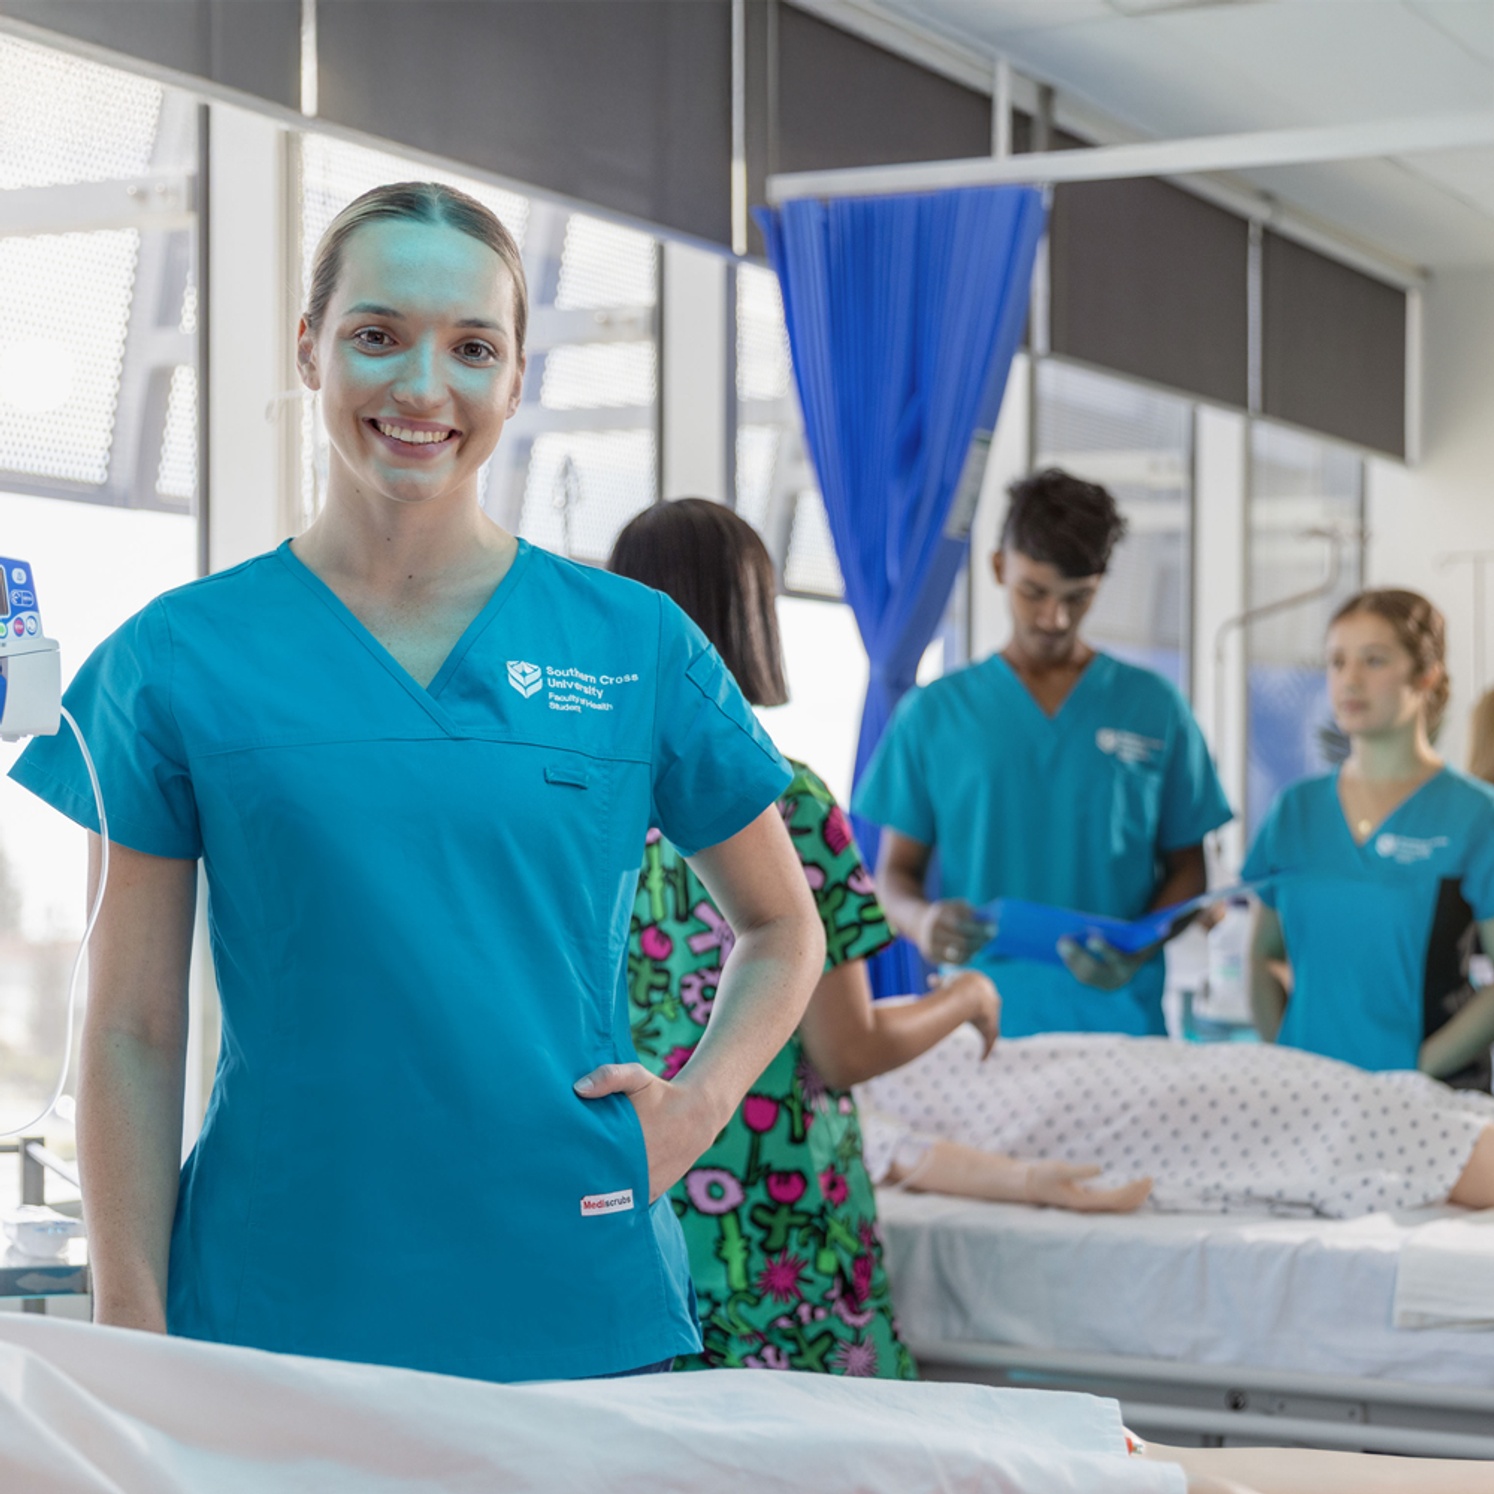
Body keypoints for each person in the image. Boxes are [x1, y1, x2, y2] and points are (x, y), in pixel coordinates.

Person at [8, 184, 827, 1384]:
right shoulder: (178, 659)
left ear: (515, 375)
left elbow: (782, 927)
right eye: (378, 335)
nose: (423, 391)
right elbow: (132, 1024)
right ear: (311, 346)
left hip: (573, 1290)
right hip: (277, 1300)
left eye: (473, 349)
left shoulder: (634, 645)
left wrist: (697, 1105)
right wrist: (130, 1325)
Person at [607, 498, 1147, 1379]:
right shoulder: (782, 800)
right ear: (752, 617)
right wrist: (963, 996)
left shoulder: (588, 799)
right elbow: (846, 1047)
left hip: (644, 1183)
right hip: (772, 1210)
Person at [855, 468, 1232, 1038]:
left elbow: (1189, 868)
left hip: (1119, 1028)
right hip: (977, 1027)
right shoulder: (935, 715)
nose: (1053, 619)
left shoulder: (1153, 709)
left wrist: (1145, 941)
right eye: (1034, 592)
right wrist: (922, 920)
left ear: (1100, 583)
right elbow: (894, 877)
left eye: (1076, 598)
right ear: (1000, 567)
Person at [1244, 589, 1494, 1079]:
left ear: (1427, 676)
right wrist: (1287, 1062)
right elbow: (1262, 958)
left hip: (1428, 1100)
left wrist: (1410, 1071)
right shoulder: (1295, 810)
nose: (1349, 680)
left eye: (1373, 660)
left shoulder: (1475, 815)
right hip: (1311, 1096)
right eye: (1337, 662)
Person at [862, 1025, 1494, 1217]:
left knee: (1314, 1085)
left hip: (1108, 1067)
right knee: (1338, 1119)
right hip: (1090, 1116)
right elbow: (904, 1151)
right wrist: (1032, 1183)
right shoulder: (792, 1099)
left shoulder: (808, 1023)